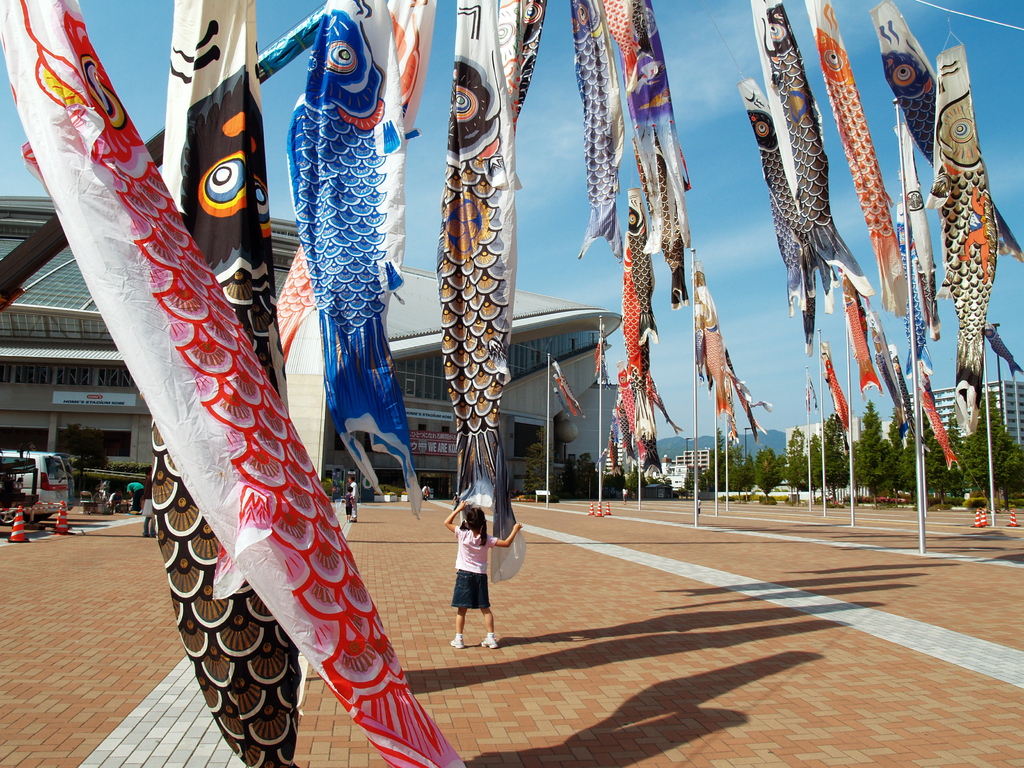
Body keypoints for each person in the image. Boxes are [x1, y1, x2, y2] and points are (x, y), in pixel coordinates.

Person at [444, 500, 523, 650]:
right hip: (480, 576)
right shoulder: (486, 539)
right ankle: (491, 638)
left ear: (467, 522)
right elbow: (506, 543)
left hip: (464, 575)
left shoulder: (462, 534)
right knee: (485, 608)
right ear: (483, 523)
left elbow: (446, 522)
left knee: (461, 610)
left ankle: (459, 639)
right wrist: (515, 529)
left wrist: (458, 509)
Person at [141, 471, 155, 538]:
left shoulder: (146, 480)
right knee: (152, 516)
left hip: (148, 498)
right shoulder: (151, 479)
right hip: (151, 498)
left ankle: (146, 532)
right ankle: (152, 532)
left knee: (148, 517)